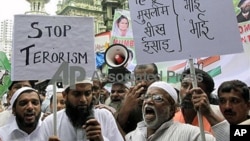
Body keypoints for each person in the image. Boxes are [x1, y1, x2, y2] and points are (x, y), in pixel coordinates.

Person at [125, 81, 220, 141]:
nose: (149, 101)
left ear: (172, 110)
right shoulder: (131, 137)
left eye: (158, 98)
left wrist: (209, 113)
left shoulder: (190, 134)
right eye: (146, 97)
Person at [40, 79, 124, 141]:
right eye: (77, 94)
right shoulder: (51, 122)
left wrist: (101, 140)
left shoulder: (105, 116)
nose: (83, 99)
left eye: (87, 94)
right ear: (65, 95)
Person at [174, 68, 224, 133]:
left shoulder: (221, 115)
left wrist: (209, 115)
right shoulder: (171, 118)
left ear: (207, 94)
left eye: (195, 87)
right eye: (185, 85)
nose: (188, 91)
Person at [115, 63, 159, 134]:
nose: (143, 83)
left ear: (157, 79)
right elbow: (116, 128)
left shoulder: (166, 99)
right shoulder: (129, 100)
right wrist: (125, 109)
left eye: (149, 78)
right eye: (138, 79)